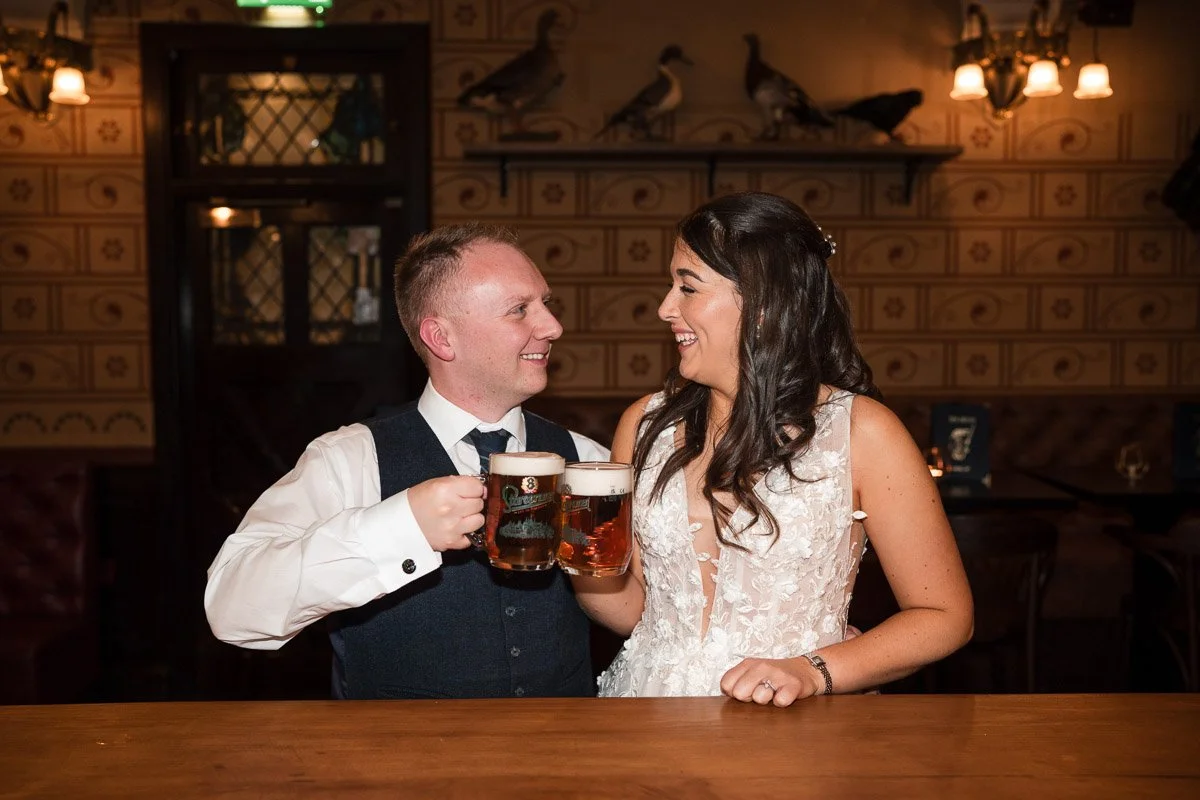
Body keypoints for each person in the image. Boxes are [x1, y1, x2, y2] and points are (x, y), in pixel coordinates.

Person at [572, 192, 974, 705]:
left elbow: (945, 617)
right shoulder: (643, 424)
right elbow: (636, 612)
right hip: (648, 710)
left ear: (762, 303)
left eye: (687, 287)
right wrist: (583, 563)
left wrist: (814, 672)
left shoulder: (863, 433)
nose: (665, 308)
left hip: (790, 723)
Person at [205, 222, 609, 699]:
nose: (552, 326)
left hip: (563, 760)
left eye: (546, 304)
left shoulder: (588, 461)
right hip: (393, 765)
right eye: (520, 310)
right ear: (441, 338)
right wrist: (398, 528)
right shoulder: (348, 460)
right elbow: (231, 609)